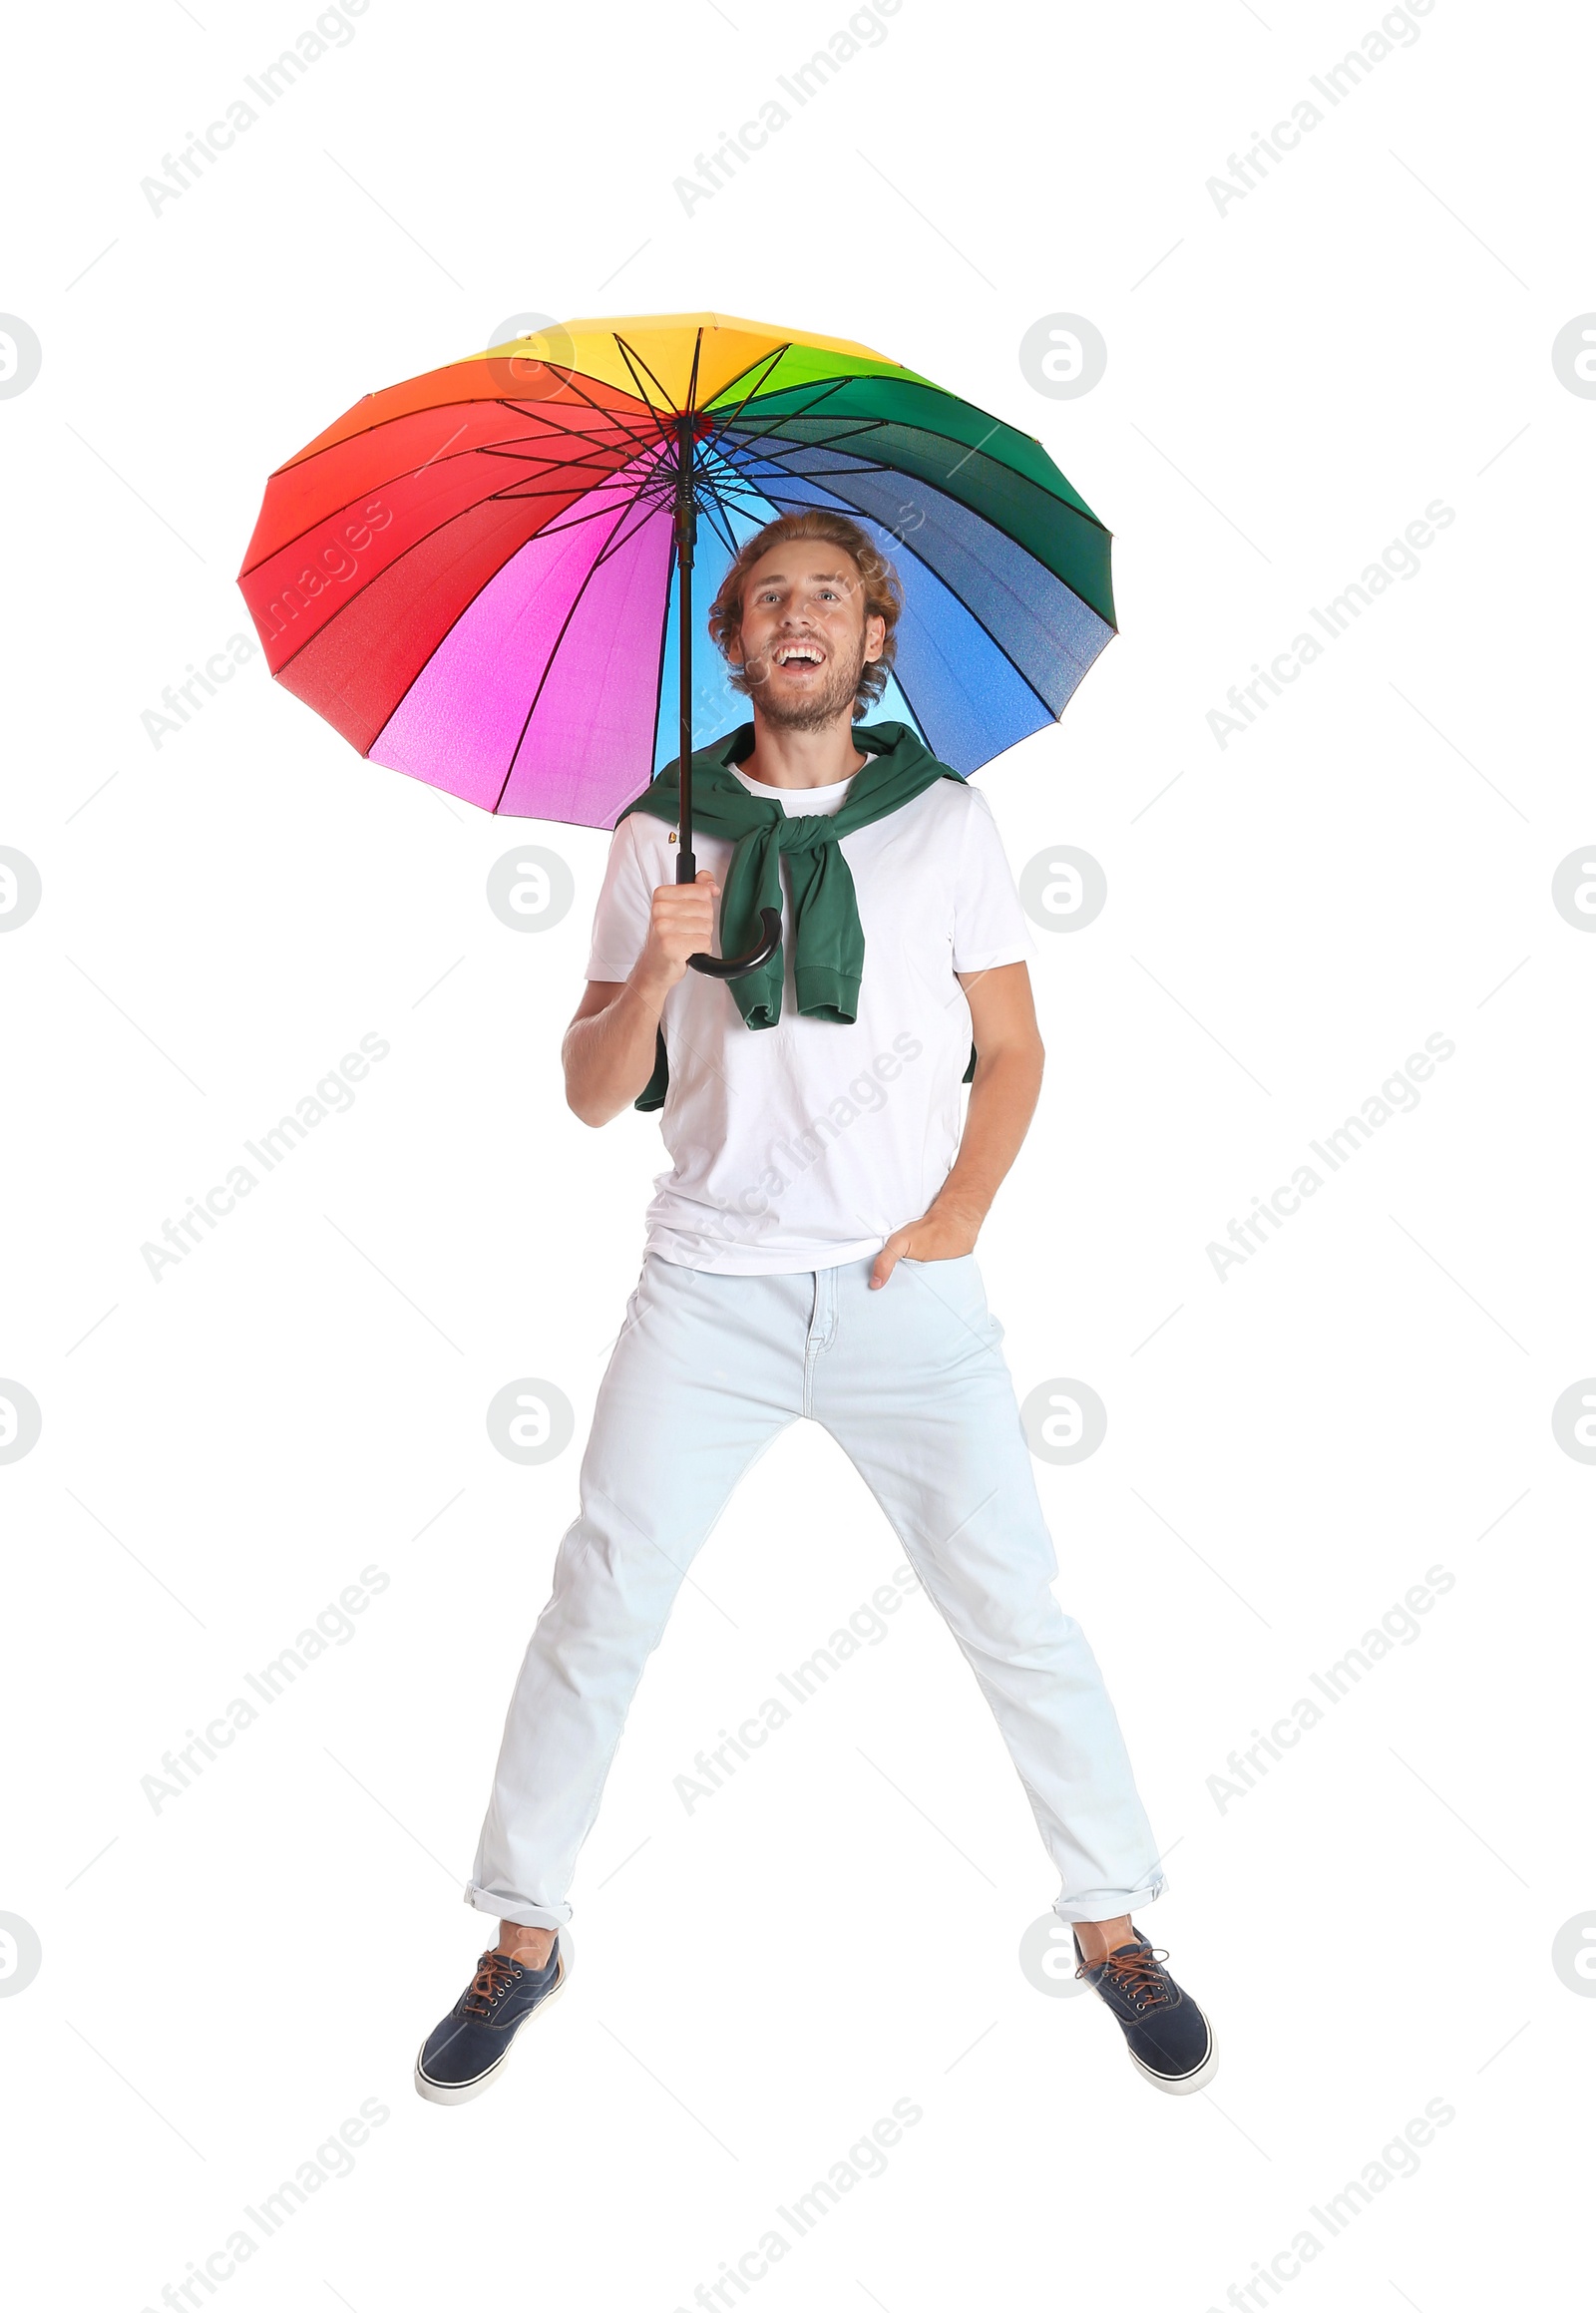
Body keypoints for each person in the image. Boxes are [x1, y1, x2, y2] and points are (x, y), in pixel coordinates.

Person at [415, 509, 1215, 2105]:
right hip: (703, 1291)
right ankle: (522, 1935)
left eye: (831, 598)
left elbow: (1021, 1049)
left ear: (870, 642)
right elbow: (590, 1096)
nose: (800, 617)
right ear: (731, 642)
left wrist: (960, 1213)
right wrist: (653, 967)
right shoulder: (660, 834)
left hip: (901, 1288)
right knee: (601, 1601)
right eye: (771, 595)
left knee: (1012, 1603)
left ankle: (1112, 1921)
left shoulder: (947, 825)